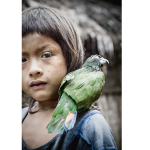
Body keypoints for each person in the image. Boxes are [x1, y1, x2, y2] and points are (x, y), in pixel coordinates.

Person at [21, 6, 117, 150]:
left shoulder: (91, 126)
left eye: (46, 55)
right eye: (22, 60)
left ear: (69, 58)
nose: (33, 70)